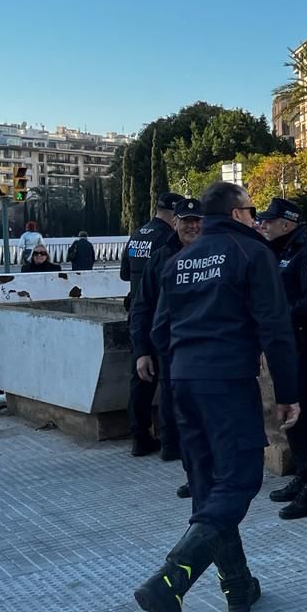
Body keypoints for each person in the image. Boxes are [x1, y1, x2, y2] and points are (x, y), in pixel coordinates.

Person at [134, 182, 300, 612]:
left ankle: (237, 587)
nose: (256, 218)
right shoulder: (250, 253)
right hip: (226, 383)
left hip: (182, 384)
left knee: (209, 488)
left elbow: (160, 329)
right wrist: (288, 392)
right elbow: (275, 327)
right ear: (237, 213)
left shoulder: (179, 261)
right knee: (240, 481)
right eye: (252, 210)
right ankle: (169, 582)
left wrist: (179, 373)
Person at [255, 196, 307, 519]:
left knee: (301, 412)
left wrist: (282, 318)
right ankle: (303, 476)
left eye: (270, 221)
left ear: (287, 224)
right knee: (289, 410)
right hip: (283, 345)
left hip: (302, 342)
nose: (264, 225)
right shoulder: (278, 251)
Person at [131, 198, 203, 492]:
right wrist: (142, 351)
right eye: (186, 220)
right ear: (175, 222)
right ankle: (192, 472)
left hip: (209, 350)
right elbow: (142, 306)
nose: (192, 226)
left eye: (197, 220)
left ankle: (204, 472)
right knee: (178, 413)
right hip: (171, 350)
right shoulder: (161, 258)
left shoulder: (216, 253)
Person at [120, 193, 184, 456]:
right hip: (159, 312)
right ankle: (170, 442)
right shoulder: (164, 240)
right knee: (168, 382)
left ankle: (139, 436)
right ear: (173, 215)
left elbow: (125, 273)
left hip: (138, 311)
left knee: (141, 379)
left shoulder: (137, 234)